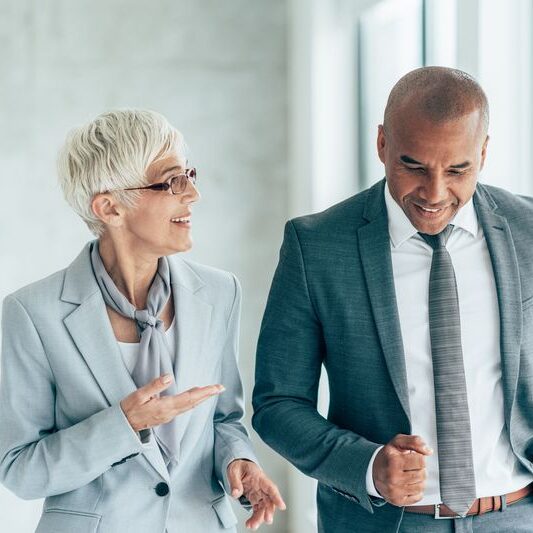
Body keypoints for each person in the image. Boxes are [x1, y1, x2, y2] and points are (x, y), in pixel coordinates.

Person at [252, 66, 533, 532]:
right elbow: (278, 403)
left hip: (517, 517)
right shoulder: (317, 246)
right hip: (383, 522)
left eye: (459, 169)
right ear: (382, 144)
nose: (435, 193)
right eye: (414, 166)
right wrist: (367, 466)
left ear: (483, 152)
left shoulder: (528, 232)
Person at [0, 109, 285, 533]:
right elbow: (21, 469)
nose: (193, 194)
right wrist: (124, 425)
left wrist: (238, 460)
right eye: (172, 181)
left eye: (190, 174)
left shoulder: (220, 292)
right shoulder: (32, 313)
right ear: (110, 207)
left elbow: (223, 419)